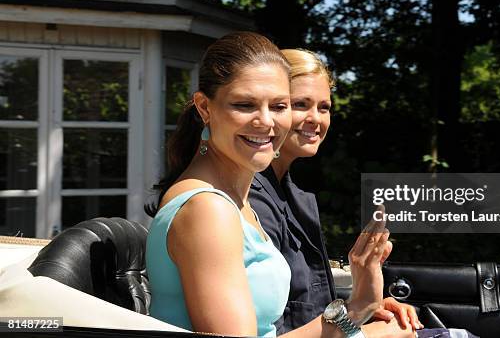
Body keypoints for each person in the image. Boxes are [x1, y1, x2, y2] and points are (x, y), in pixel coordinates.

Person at [145, 32, 413, 338]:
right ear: (204, 107)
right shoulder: (209, 209)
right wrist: (361, 320)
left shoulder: (234, 199)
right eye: (245, 105)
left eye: (279, 106)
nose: (266, 121)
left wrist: (361, 308)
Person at [249, 49, 424, 334]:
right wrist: (360, 308)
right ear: (272, 108)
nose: (316, 119)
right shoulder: (252, 200)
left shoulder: (292, 196)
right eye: (301, 104)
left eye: (324, 107)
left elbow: (308, 307)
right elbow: (277, 324)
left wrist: (366, 308)